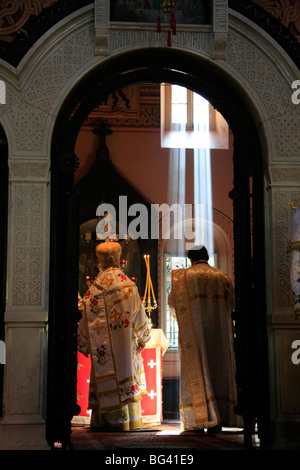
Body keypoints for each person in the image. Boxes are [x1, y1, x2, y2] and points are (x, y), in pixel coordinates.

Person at [77, 238, 151, 431]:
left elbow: (84, 318)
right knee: (126, 370)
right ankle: (126, 420)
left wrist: (84, 341)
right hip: (125, 344)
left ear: (99, 261)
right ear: (119, 260)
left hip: (103, 348)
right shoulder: (128, 286)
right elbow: (139, 315)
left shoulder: (94, 289)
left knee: (104, 370)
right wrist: (143, 336)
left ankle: (104, 420)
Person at [168, 245, 242, 432]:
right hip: (220, 336)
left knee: (199, 371)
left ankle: (199, 421)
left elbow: (172, 304)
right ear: (207, 257)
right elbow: (232, 305)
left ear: (190, 259)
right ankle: (221, 418)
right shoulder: (222, 277)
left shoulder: (183, 278)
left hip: (195, 337)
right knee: (219, 372)